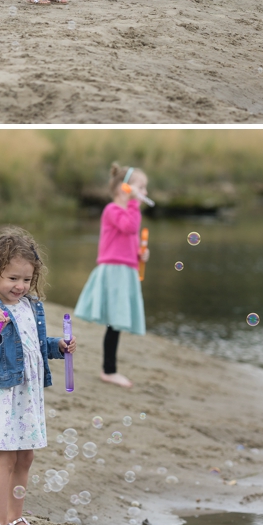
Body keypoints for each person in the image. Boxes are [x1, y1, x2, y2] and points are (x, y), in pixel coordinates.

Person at [0, 227, 74, 525]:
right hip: (3, 393)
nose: (20, 286)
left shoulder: (32, 306)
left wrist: (59, 347)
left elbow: (37, 345)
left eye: (26, 280)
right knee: (7, 458)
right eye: (12, 278)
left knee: (26, 457)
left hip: (27, 392)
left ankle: (17, 518)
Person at [73, 163, 150, 389]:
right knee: (114, 322)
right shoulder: (113, 210)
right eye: (141, 187)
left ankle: (109, 369)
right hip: (114, 270)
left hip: (125, 269)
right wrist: (134, 202)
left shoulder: (128, 212)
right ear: (124, 188)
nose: (145, 192)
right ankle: (109, 370)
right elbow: (129, 227)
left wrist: (140, 255)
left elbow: (128, 239)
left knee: (115, 323)